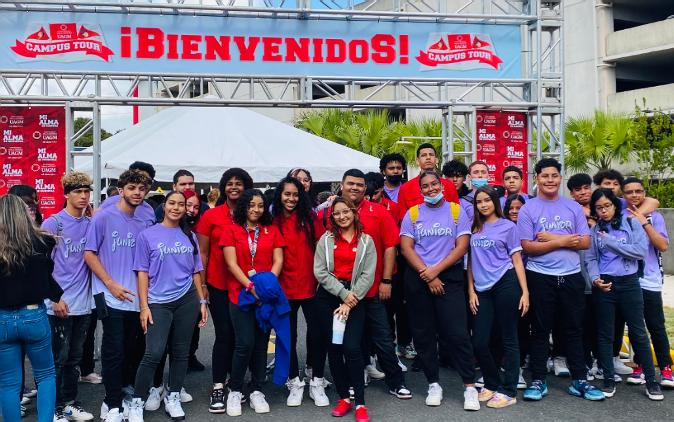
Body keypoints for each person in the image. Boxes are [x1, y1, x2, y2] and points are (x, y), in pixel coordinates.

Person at [318, 169, 411, 401]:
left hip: (372, 289)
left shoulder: (378, 212)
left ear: (365, 188)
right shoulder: (330, 213)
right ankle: (352, 381)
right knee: (347, 341)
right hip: (341, 293)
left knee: (383, 338)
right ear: (342, 185)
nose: (355, 188)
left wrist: (386, 280)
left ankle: (396, 381)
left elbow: (390, 246)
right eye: (350, 183)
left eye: (360, 185)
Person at [517, 158, 604, 402]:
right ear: (537, 178)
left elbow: (584, 242)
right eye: (545, 176)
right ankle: (538, 380)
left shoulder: (573, 207)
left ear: (560, 178)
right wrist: (566, 240)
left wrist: (552, 239)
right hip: (540, 276)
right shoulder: (528, 209)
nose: (550, 180)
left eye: (554, 175)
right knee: (540, 330)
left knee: (573, 329)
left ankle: (580, 380)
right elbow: (528, 247)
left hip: (571, 276)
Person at [399, 170, 479, 411]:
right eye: (426, 186)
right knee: (423, 334)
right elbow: (406, 248)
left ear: (441, 186)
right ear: (420, 190)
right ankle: (433, 384)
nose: (431, 189)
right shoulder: (413, 214)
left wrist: (435, 271)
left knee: (457, 333)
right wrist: (427, 273)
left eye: (435, 184)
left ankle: (469, 386)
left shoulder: (456, 211)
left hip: (449, 277)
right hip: (419, 277)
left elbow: (462, 246)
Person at [126, 191, 209, 421]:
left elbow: (195, 272)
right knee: (153, 353)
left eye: (181, 204)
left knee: (181, 353)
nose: (176, 208)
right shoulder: (147, 235)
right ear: (164, 206)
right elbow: (142, 273)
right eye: (172, 203)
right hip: (158, 302)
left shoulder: (189, 236)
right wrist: (144, 306)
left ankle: (173, 397)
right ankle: (137, 402)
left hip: (187, 300)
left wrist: (202, 301)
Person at [84, 170, 153, 422]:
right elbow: (89, 254)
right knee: (114, 349)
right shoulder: (103, 217)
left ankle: (124, 391)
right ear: (121, 190)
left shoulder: (144, 222)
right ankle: (111, 403)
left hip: (135, 298)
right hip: (108, 294)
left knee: (132, 348)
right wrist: (111, 284)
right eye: (132, 188)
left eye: (142, 189)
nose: (137, 192)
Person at [585, 188, 663, 401]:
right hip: (605, 284)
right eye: (599, 208)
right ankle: (608, 379)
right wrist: (595, 278)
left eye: (607, 206)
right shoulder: (595, 230)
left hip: (629, 284)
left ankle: (651, 381)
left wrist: (610, 241)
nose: (604, 211)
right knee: (605, 334)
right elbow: (591, 258)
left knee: (638, 332)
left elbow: (639, 251)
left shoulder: (631, 223)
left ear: (615, 205)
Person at [221, 189, 285, 416]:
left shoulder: (272, 230)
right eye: (251, 205)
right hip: (240, 294)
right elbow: (231, 263)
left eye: (260, 205)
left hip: (266, 296)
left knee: (261, 344)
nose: (256, 209)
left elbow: (278, 260)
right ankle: (236, 390)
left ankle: (257, 389)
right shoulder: (231, 230)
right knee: (244, 343)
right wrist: (251, 286)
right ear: (243, 207)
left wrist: (266, 287)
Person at [195, 168, 253, 413]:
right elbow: (202, 253)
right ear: (223, 187)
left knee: (244, 337)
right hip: (218, 284)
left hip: (246, 286)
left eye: (239, 183)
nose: (234, 187)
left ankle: (235, 382)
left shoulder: (253, 213)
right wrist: (203, 285)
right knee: (225, 334)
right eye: (230, 183)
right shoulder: (211, 215)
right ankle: (218, 385)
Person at [313, 197, 376, 422]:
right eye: (337, 213)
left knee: (352, 348)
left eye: (345, 211)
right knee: (334, 348)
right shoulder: (326, 239)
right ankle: (343, 397)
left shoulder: (366, 241)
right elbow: (320, 271)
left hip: (355, 298)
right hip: (328, 298)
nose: (342, 217)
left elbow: (368, 274)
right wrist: (342, 294)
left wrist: (349, 301)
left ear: (354, 212)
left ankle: (360, 402)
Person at [0, 194, 62, 422]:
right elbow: (47, 277)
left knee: (8, 383)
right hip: (33, 315)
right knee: (45, 376)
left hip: (2, 319)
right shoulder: (43, 242)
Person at [467, 187, 529, 409]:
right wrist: (471, 290)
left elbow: (517, 260)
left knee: (508, 338)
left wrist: (525, 292)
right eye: (479, 201)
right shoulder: (474, 228)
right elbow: (470, 262)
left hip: (506, 283)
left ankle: (509, 391)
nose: (483, 205)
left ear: (495, 202)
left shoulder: (508, 226)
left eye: (487, 200)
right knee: (480, 341)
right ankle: (492, 383)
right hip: (482, 289)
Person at [41, 173, 96, 422]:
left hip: (83, 304)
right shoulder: (54, 224)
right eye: (77, 191)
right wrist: (53, 298)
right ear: (66, 194)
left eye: (86, 191)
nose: (83, 196)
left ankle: (69, 404)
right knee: (56, 360)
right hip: (58, 304)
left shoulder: (91, 223)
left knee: (74, 359)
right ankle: (52, 407)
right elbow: (40, 265)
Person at [271, 177, 327, 407]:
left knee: (318, 334)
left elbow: (323, 246)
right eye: (287, 194)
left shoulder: (310, 218)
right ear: (279, 195)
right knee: (287, 336)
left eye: (295, 194)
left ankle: (316, 380)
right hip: (283, 288)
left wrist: (324, 278)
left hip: (312, 286)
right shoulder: (272, 220)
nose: (291, 198)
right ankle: (294, 380)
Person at [621, 178, 673, 388]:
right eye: (629, 192)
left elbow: (662, 245)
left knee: (656, 325)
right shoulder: (619, 214)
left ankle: (666, 369)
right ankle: (640, 365)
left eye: (638, 191)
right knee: (635, 326)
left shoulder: (655, 216)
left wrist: (644, 221)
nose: (634, 195)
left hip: (649, 278)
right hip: (629, 278)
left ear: (644, 193)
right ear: (623, 195)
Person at [397, 143, 459, 221]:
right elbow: (403, 219)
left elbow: (457, 213)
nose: (428, 157)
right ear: (417, 161)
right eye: (424, 155)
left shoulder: (449, 185)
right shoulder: (406, 188)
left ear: (436, 160)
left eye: (431, 155)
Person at [99, 161, 156, 226]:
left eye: (147, 181)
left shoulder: (149, 210)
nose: (142, 183)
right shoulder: (109, 203)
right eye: (136, 179)